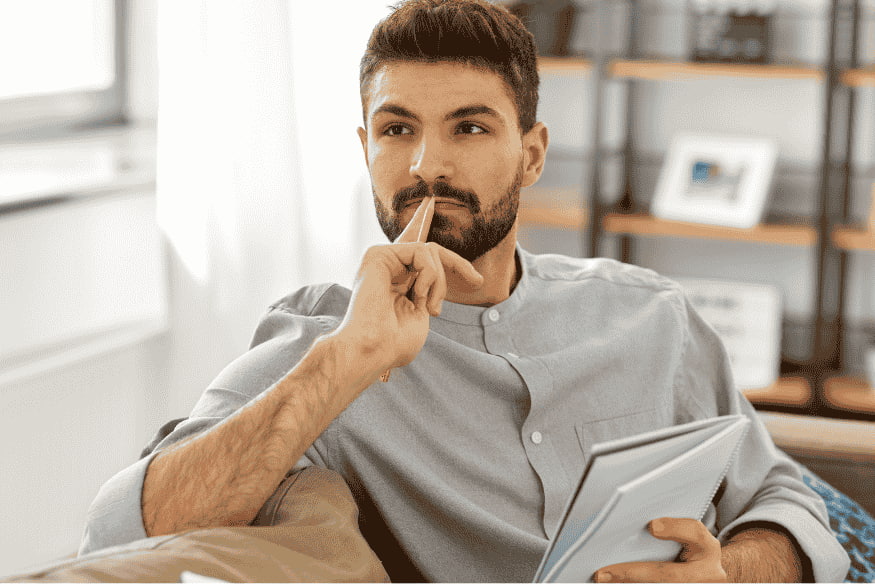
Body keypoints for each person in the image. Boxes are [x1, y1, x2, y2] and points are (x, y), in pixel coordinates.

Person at [79, 1, 849, 581]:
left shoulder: (650, 315)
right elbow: (121, 534)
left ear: (531, 154)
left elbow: (785, 501)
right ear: (365, 150)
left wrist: (725, 573)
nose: (425, 166)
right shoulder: (321, 341)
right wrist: (346, 359)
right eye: (396, 129)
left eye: (470, 128)